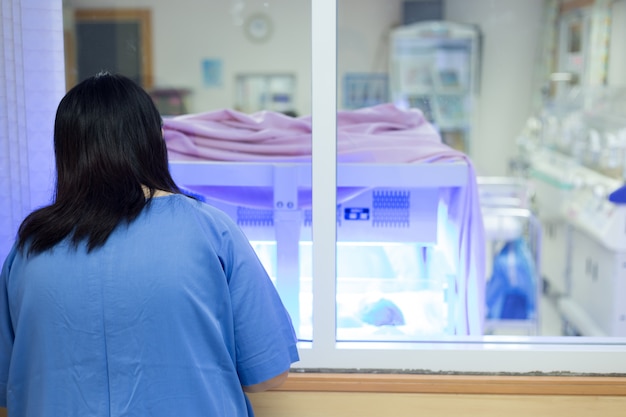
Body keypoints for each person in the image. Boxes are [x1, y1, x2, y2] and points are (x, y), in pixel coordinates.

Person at [0, 72, 299, 417]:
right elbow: (267, 375)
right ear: (155, 140)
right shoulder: (209, 231)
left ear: (65, 150)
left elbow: (10, 383)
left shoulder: (29, 249)